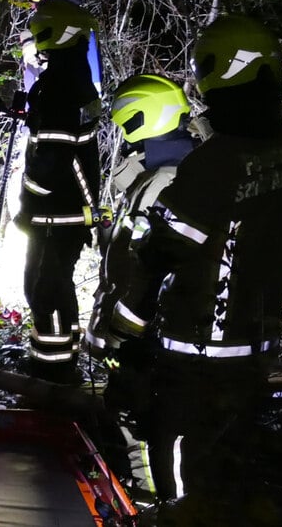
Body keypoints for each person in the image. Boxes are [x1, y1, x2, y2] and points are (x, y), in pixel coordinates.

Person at [111, 15, 282, 515]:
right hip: (257, 343)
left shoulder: (215, 162)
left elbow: (164, 252)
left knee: (180, 464)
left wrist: (128, 330)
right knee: (232, 457)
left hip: (197, 348)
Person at [82, 73, 196, 503]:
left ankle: (150, 498)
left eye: (126, 120)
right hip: (152, 327)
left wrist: (120, 331)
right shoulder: (172, 171)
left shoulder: (162, 181)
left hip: (143, 331)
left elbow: (141, 266)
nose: (123, 131)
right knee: (134, 408)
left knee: (139, 415)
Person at [15, 0, 102, 384]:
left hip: (54, 211)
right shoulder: (75, 76)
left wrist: (27, 202)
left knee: (43, 287)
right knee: (54, 282)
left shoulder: (58, 86)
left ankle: (52, 372)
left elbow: (51, 156)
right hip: (72, 207)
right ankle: (57, 360)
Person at [17, 0, 103, 96]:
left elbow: (48, 67)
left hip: (57, 105)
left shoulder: (50, 17)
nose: (32, 6)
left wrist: (29, 51)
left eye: (32, 1)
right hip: (86, 101)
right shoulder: (84, 17)